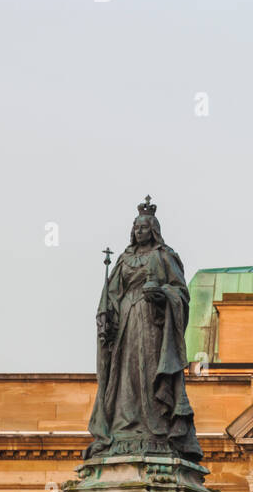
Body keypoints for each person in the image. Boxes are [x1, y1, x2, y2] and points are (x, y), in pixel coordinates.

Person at [84, 197, 201, 462]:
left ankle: (156, 427)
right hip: (126, 319)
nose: (139, 231)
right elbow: (111, 294)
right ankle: (124, 426)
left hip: (152, 322)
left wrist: (162, 295)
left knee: (148, 371)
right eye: (136, 227)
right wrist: (105, 315)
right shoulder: (124, 259)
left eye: (145, 227)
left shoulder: (164, 256)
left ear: (154, 230)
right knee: (124, 375)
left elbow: (181, 293)